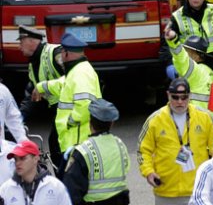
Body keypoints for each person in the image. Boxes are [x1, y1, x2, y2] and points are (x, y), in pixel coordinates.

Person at [138, 79, 213, 205]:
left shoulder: (205, 117)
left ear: (189, 96)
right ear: (168, 95)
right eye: (175, 97)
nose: (180, 102)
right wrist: (148, 172)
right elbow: (143, 151)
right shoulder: (155, 120)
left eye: (184, 97)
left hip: (197, 190)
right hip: (166, 192)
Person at [48, 32, 101, 171]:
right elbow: (64, 84)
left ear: (66, 53)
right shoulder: (78, 70)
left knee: (72, 185)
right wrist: (42, 87)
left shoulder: (80, 73)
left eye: (61, 52)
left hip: (77, 142)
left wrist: (70, 122)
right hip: (75, 142)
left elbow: (84, 104)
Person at [62, 99, 129, 205]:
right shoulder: (120, 144)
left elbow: (72, 190)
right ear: (112, 124)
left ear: (90, 123)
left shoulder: (83, 151)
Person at [164, 32, 213, 121]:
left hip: (195, 120)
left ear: (197, 56)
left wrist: (173, 41)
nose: (185, 53)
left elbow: (182, 59)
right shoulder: (211, 73)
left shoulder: (195, 71)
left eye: (187, 51)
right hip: (210, 122)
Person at [0, 139, 71, 204]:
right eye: (16, 159)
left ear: (36, 159)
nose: (17, 163)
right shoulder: (5, 189)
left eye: (22, 158)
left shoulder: (55, 186)